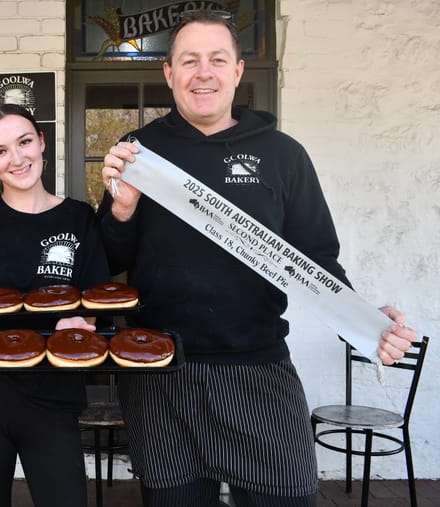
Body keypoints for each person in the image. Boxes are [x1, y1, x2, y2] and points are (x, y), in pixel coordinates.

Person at [96, 10, 417, 507]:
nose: (204, 72)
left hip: (257, 368)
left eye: (217, 59)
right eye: (189, 60)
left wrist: (367, 322)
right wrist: (120, 208)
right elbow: (108, 261)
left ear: (238, 71)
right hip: (158, 373)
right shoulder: (139, 153)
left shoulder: (283, 155)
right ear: (169, 73)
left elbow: (317, 258)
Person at [0, 104, 111, 507]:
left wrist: (83, 323)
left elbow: (95, 302)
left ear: (41, 143)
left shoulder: (80, 218)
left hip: (54, 394)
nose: (16, 158)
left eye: (24, 141)